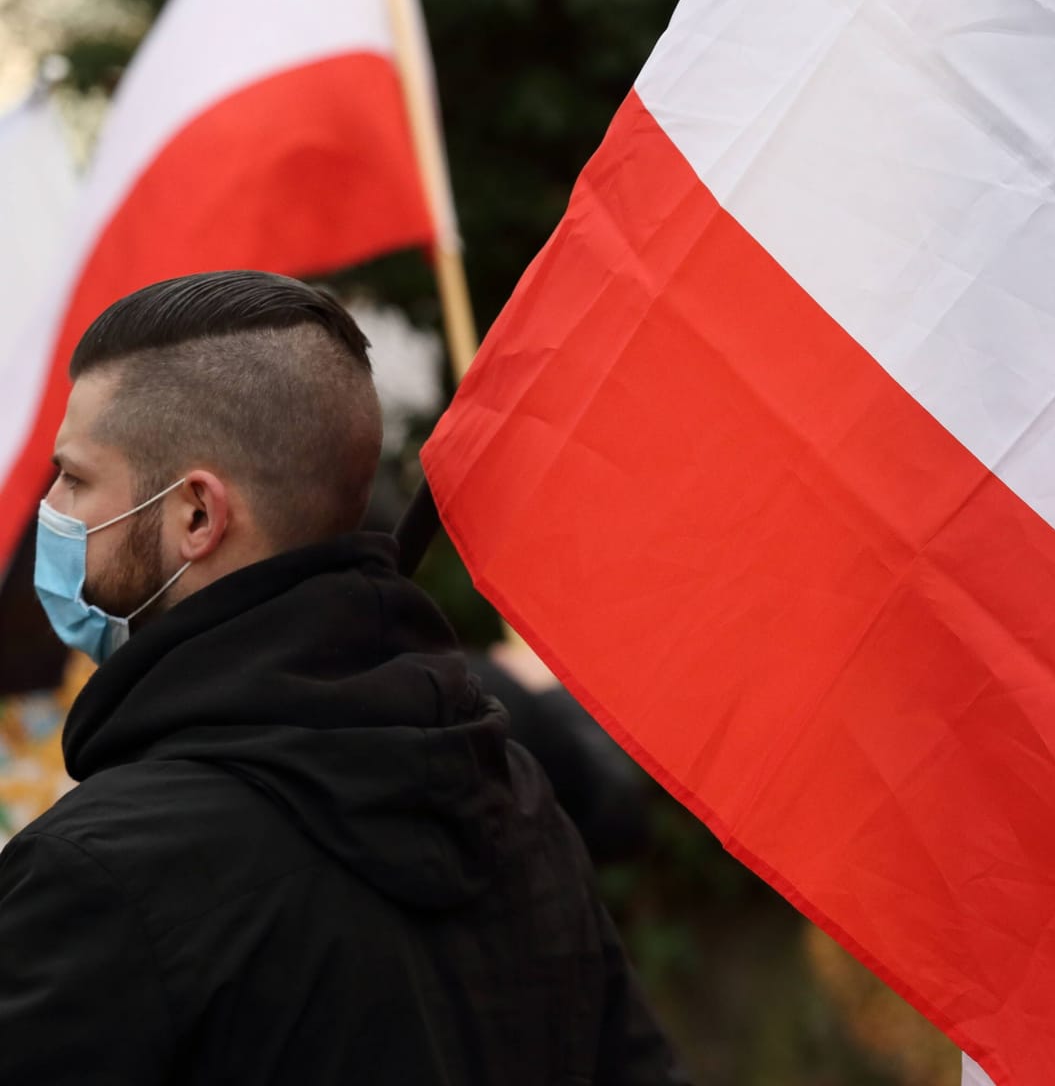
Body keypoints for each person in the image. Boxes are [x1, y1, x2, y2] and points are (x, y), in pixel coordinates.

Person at [0, 271, 686, 1084]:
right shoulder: (514, 796)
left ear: (196, 515)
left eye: (75, 478)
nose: (53, 510)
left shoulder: (98, 875)